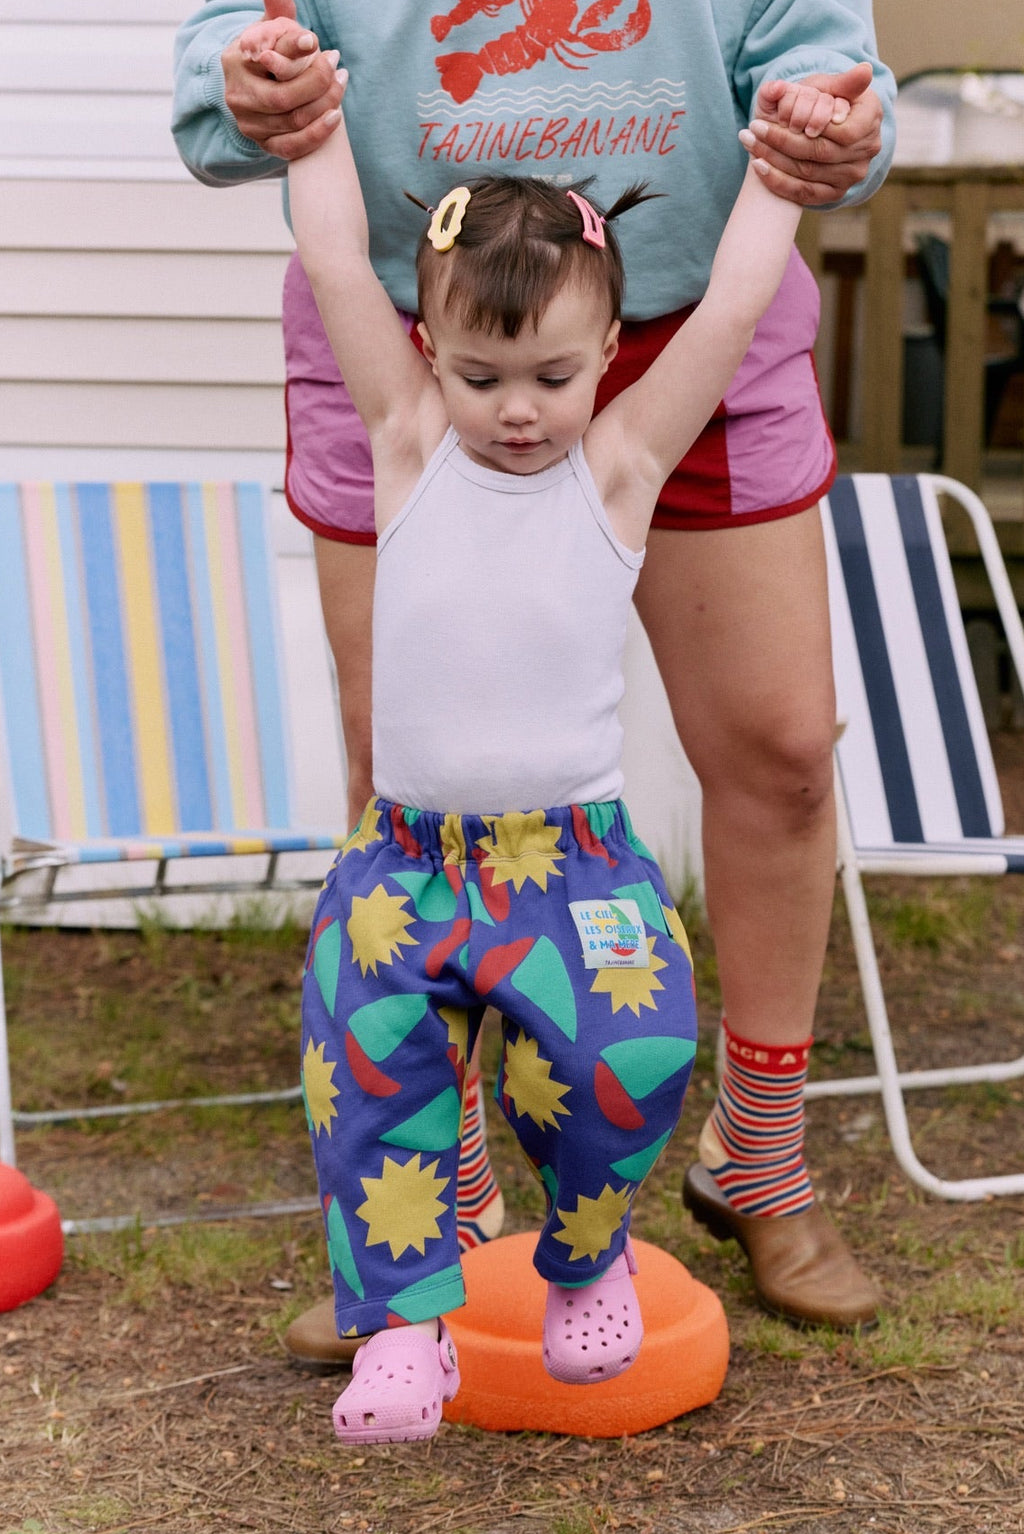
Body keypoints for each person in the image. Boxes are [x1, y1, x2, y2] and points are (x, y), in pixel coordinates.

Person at [172, 2, 896, 1346]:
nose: (519, 415)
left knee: (781, 762)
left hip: (668, 320)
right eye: (492, 389)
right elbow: (308, 196)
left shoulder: (622, 446)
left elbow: (750, 270)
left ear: (596, 368)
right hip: (425, 317)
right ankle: (432, 1218)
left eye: (547, 386)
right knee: (391, 774)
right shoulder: (410, 420)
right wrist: (282, 98)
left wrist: (804, 143)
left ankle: (742, 1161)